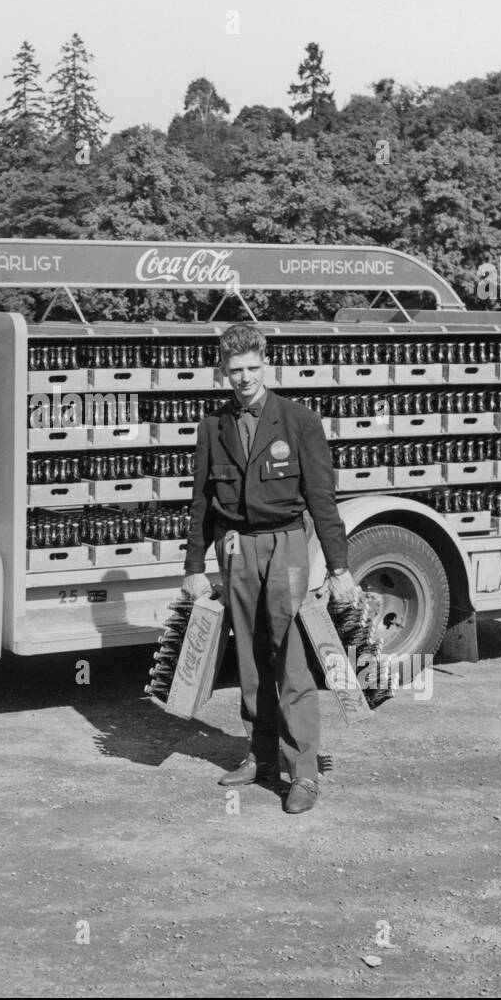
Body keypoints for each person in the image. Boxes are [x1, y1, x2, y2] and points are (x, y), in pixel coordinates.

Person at [182, 324, 361, 814]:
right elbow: (200, 501)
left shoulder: (300, 421)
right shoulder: (211, 427)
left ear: (267, 363)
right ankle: (260, 756)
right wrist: (195, 564)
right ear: (222, 371)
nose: (244, 378)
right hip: (235, 547)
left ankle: (303, 772)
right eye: (235, 370)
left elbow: (323, 499)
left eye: (252, 368)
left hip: (286, 544)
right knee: (250, 655)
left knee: (292, 657)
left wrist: (339, 565)